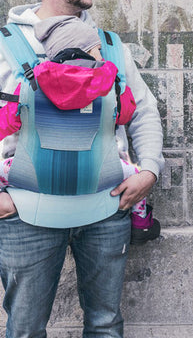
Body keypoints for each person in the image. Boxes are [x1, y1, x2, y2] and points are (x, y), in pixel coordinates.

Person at [0, 0, 164, 337]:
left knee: (106, 324)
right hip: (25, 214)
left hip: (105, 209)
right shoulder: (5, 47)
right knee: (25, 329)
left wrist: (150, 172)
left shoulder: (109, 46)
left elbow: (143, 112)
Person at [0, 15, 161, 245]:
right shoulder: (107, 79)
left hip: (34, 180)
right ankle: (141, 220)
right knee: (135, 174)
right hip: (101, 178)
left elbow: (6, 123)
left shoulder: (31, 80)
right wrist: (148, 171)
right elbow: (127, 114)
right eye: (96, 49)